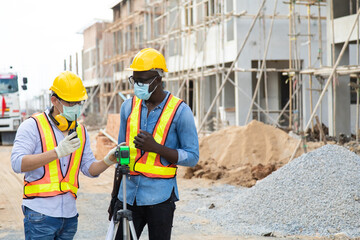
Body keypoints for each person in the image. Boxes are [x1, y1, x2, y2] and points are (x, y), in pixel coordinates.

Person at [11, 71, 119, 240]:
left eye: (79, 102)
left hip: (69, 216)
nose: (76, 106)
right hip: (40, 215)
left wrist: (108, 160)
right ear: (54, 100)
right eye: (70, 103)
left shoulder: (80, 130)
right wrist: (57, 152)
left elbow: (89, 169)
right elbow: (17, 163)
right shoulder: (32, 126)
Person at [113, 48, 199, 240]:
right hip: (127, 196)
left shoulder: (180, 111)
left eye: (142, 81)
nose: (137, 85)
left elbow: (192, 157)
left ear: (158, 79)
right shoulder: (128, 107)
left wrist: (157, 149)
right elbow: (121, 150)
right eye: (134, 80)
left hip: (159, 199)